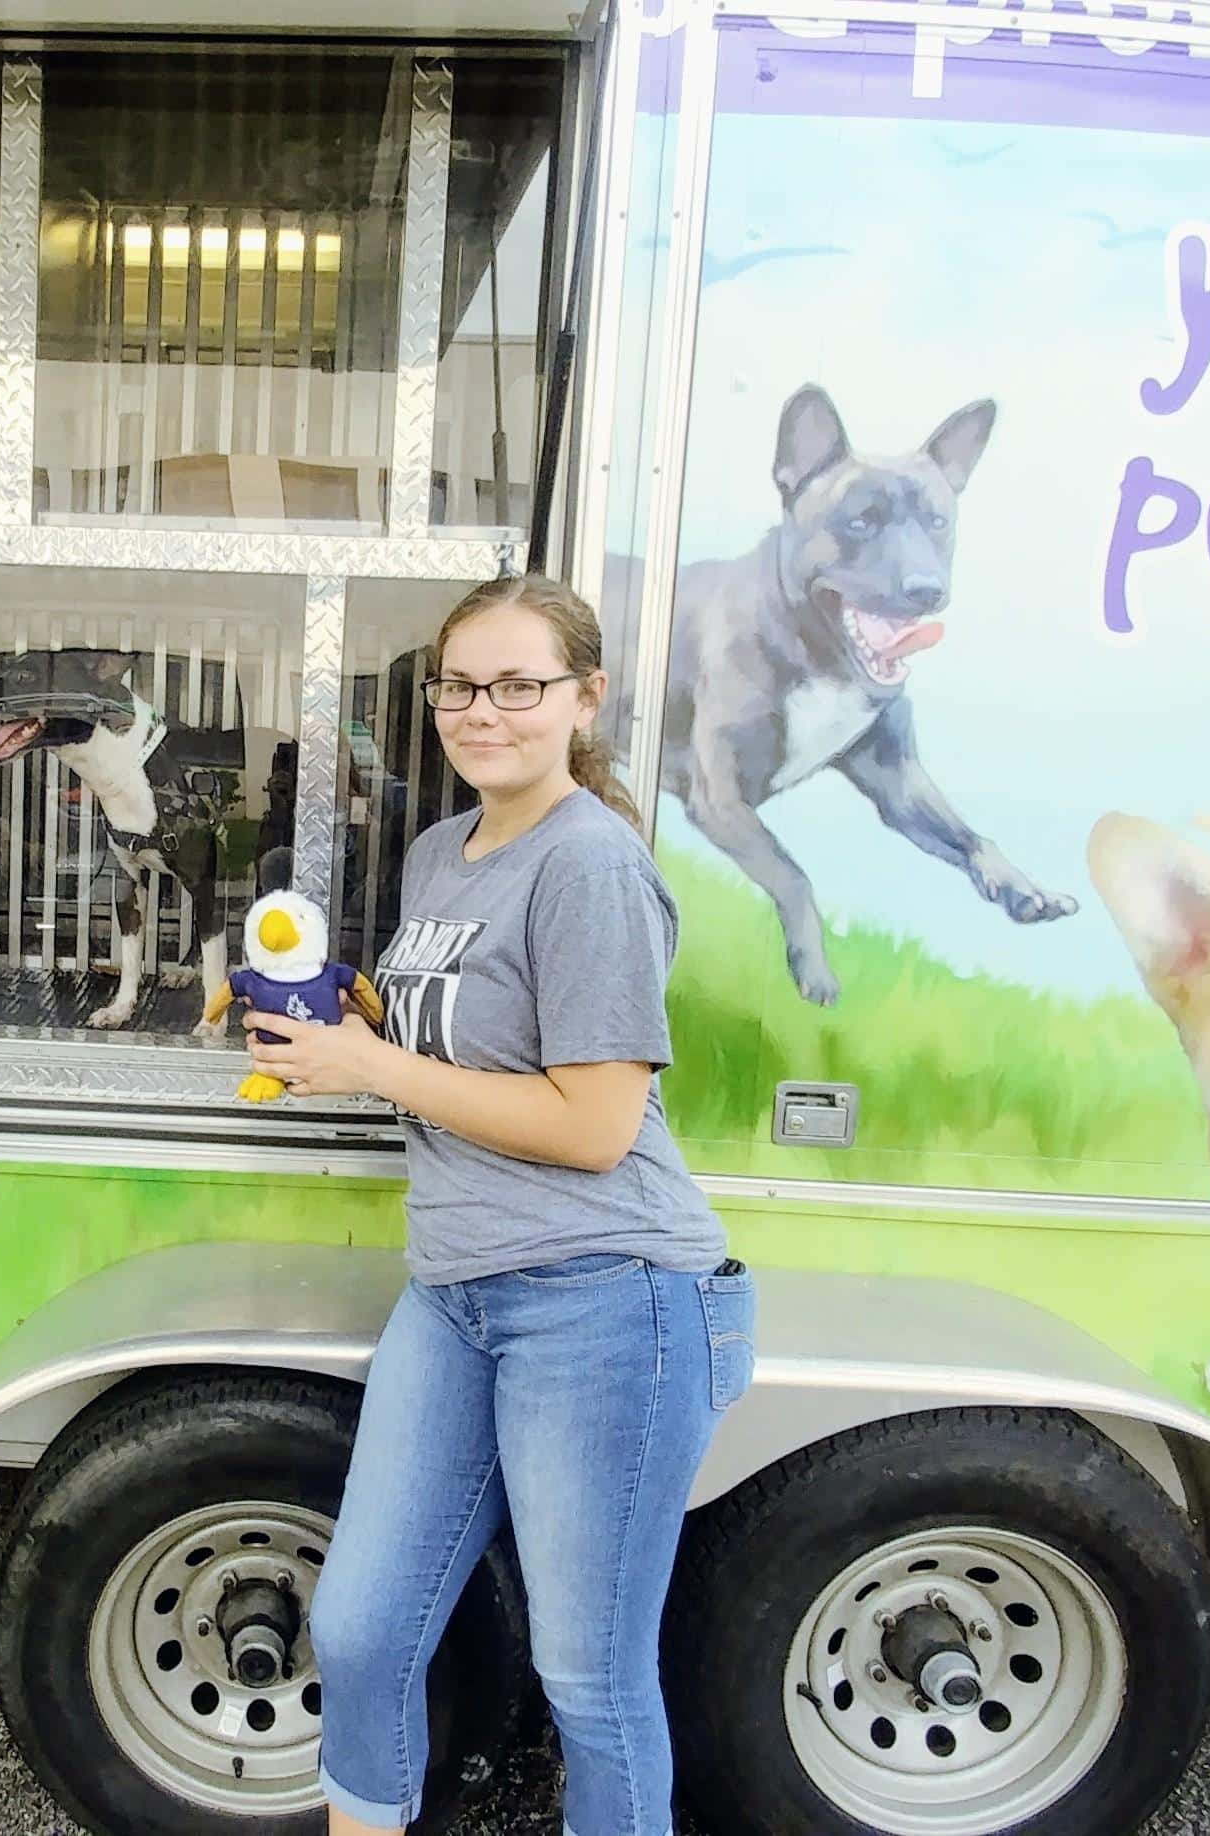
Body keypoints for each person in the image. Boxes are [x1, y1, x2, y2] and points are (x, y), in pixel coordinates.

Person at [239, 573, 757, 1836]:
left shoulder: (590, 866)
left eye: (519, 685)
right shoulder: (440, 850)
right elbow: (473, 1044)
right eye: (460, 686)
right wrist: (353, 1012)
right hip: (460, 1297)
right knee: (359, 1630)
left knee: (590, 1678)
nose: (484, 711)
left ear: (583, 699)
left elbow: (594, 1126)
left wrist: (371, 1069)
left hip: (609, 1304)